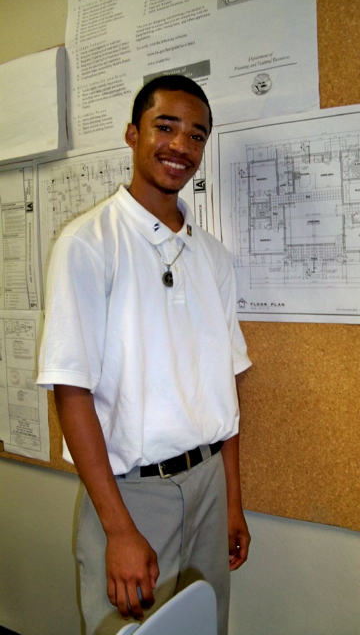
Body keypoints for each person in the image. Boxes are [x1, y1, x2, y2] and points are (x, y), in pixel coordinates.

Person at [37, 75, 252, 635]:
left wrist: (231, 499)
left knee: (206, 627)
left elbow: (225, 386)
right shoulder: (88, 243)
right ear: (133, 134)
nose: (181, 145)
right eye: (165, 127)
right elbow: (71, 390)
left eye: (197, 135)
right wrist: (119, 529)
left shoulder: (213, 258)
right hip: (132, 494)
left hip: (208, 482)